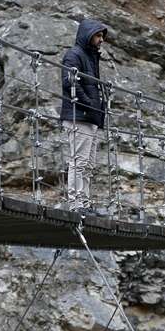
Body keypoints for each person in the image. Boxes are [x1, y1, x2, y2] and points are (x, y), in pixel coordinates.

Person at [59, 19, 109, 212]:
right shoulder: (74, 55)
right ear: (87, 36)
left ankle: (85, 203)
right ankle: (75, 204)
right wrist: (88, 103)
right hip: (79, 116)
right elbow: (69, 82)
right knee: (79, 162)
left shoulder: (91, 56)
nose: (101, 40)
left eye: (102, 36)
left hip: (91, 117)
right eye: (98, 35)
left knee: (88, 164)